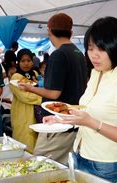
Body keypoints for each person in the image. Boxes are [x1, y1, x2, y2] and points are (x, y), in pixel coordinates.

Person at [47, 17, 117, 183]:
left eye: (101, 49)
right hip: (81, 155)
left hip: (108, 166)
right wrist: (61, 118)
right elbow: (89, 110)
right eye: (90, 48)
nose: (94, 55)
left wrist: (91, 123)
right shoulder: (96, 73)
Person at [19, 13, 88, 164]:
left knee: (40, 164)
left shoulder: (58, 55)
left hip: (58, 124)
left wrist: (28, 88)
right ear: (70, 32)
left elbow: (53, 93)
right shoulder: (78, 53)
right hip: (73, 121)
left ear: (49, 30)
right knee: (65, 167)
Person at [10, 49, 42, 152]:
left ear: (32, 61)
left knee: (36, 143)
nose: (26, 63)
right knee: (24, 143)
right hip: (22, 114)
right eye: (23, 61)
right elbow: (25, 96)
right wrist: (43, 98)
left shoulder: (35, 74)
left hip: (36, 113)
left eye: (28, 60)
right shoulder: (16, 77)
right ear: (18, 62)